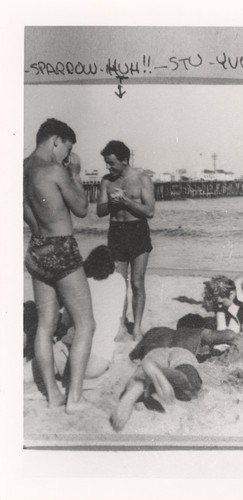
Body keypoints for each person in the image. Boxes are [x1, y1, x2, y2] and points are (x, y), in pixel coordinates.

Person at [24, 118, 95, 413]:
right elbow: (81, 208)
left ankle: (53, 395)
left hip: (36, 248)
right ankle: (74, 398)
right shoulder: (55, 170)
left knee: (44, 325)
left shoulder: (18, 169)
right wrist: (75, 174)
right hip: (61, 247)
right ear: (55, 140)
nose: (67, 155)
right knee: (86, 324)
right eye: (67, 149)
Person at [110, 314, 237, 431]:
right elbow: (230, 335)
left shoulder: (155, 331)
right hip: (181, 354)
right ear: (198, 327)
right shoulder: (197, 332)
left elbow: (133, 356)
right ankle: (163, 373)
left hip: (154, 354)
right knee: (190, 385)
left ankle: (139, 387)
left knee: (140, 377)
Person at [25, 245, 127, 389]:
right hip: (101, 363)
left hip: (76, 360)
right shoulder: (120, 281)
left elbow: (66, 322)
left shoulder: (81, 286)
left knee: (30, 368)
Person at [97, 141, 155, 341]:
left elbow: (150, 211)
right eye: (106, 163)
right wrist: (112, 203)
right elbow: (99, 211)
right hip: (116, 232)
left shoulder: (142, 179)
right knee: (119, 283)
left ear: (124, 160)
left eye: (112, 163)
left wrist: (126, 201)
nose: (109, 167)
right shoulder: (106, 181)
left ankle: (137, 327)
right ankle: (120, 325)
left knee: (137, 282)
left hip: (137, 231)